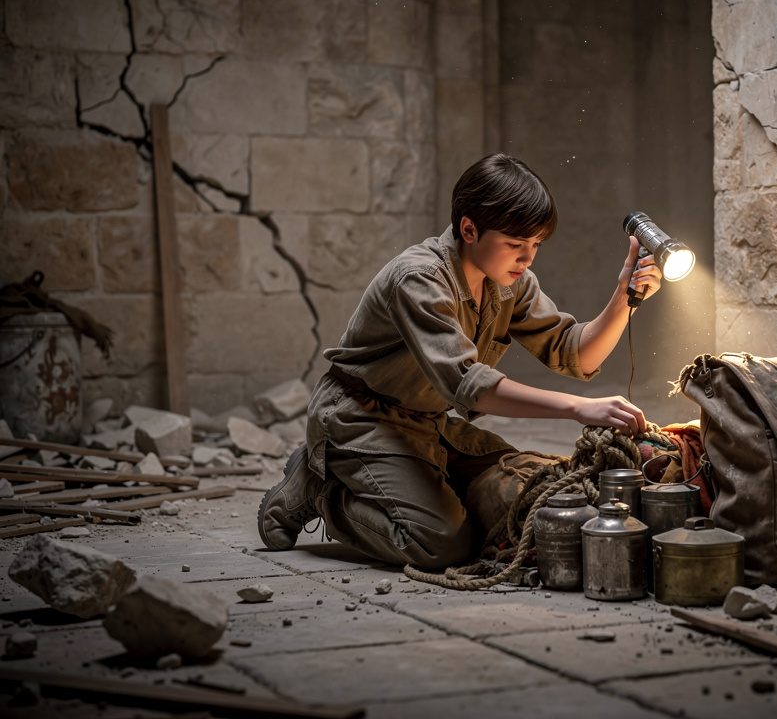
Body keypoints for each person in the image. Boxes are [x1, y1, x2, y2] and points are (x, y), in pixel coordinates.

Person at [258, 153, 662, 570]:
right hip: (358, 417)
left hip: (428, 422)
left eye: (536, 244)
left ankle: (407, 482)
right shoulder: (418, 279)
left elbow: (573, 351)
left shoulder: (510, 283)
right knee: (442, 544)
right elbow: (470, 384)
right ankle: (319, 489)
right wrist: (578, 407)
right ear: (469, 228)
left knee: (522, 487)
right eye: (515, 244)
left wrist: (623, 299)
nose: (528, 259)